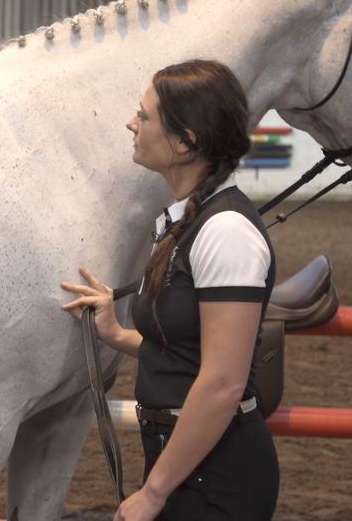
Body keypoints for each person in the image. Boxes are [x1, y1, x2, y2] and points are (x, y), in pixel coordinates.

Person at [60, 59, 279, 521]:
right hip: (182, 459)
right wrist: (116, 333)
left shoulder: (226, 231)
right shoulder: (186, 220)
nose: (131, 123)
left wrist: (155, 493)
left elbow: (222, 382)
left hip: (214, 475)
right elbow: (185, 353)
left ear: (184, 142)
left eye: (144, 116)